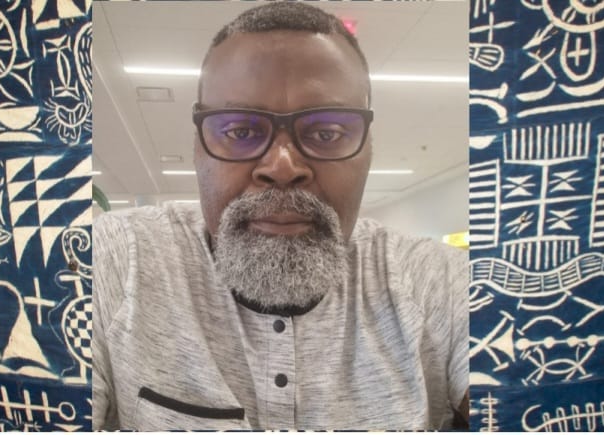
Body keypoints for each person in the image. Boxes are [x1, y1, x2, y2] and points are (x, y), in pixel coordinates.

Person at [92, 2, 468, 430]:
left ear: (369, 151)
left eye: (326, 132)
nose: (283, 166)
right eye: (240, 131)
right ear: (197, 148)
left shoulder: (436, 283)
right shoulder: (117, 262)